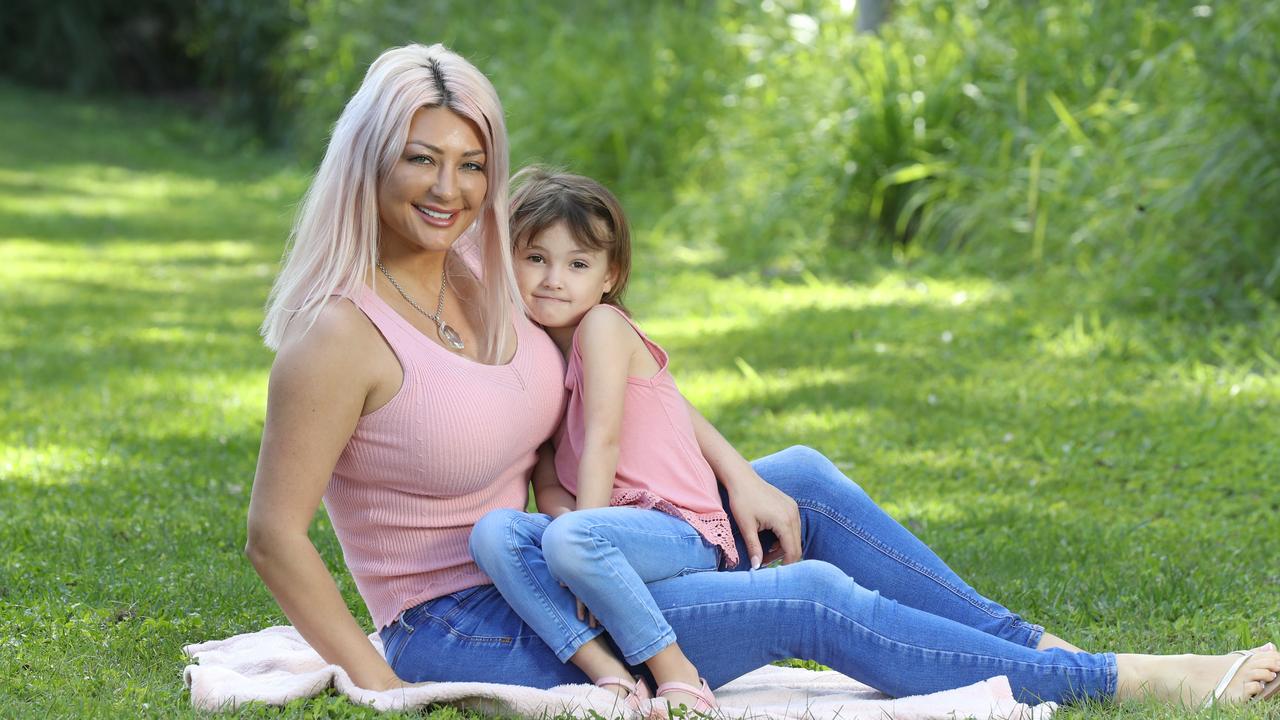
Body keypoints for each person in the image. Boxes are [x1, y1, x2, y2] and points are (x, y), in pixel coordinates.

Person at [244, 42, 1280, 713]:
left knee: (801, 479)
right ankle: (1130, 679)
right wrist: (377, 685)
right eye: (420, 160)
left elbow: (627, 385)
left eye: (470, 163)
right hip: (466, 618)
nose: (449, 188)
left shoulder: (490, 278)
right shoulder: (339, 337)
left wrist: (734, 472)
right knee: (811, 594)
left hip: (558, 562)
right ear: (367, 162)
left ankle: (1030, 646)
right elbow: (273, 535)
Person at [469, 167, 739, 713]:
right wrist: (570, 528)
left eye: (578, 264)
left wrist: (577, 536)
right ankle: (611, 674)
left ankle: (677, 673)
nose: (553, 279)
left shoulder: (603, 327)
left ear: (609, 275)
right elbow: (545, 476)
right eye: (536, 258)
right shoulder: (532, 353)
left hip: (676, 527)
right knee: (494, 533)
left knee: (568, 540)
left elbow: (603, 440)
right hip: (602, 533)